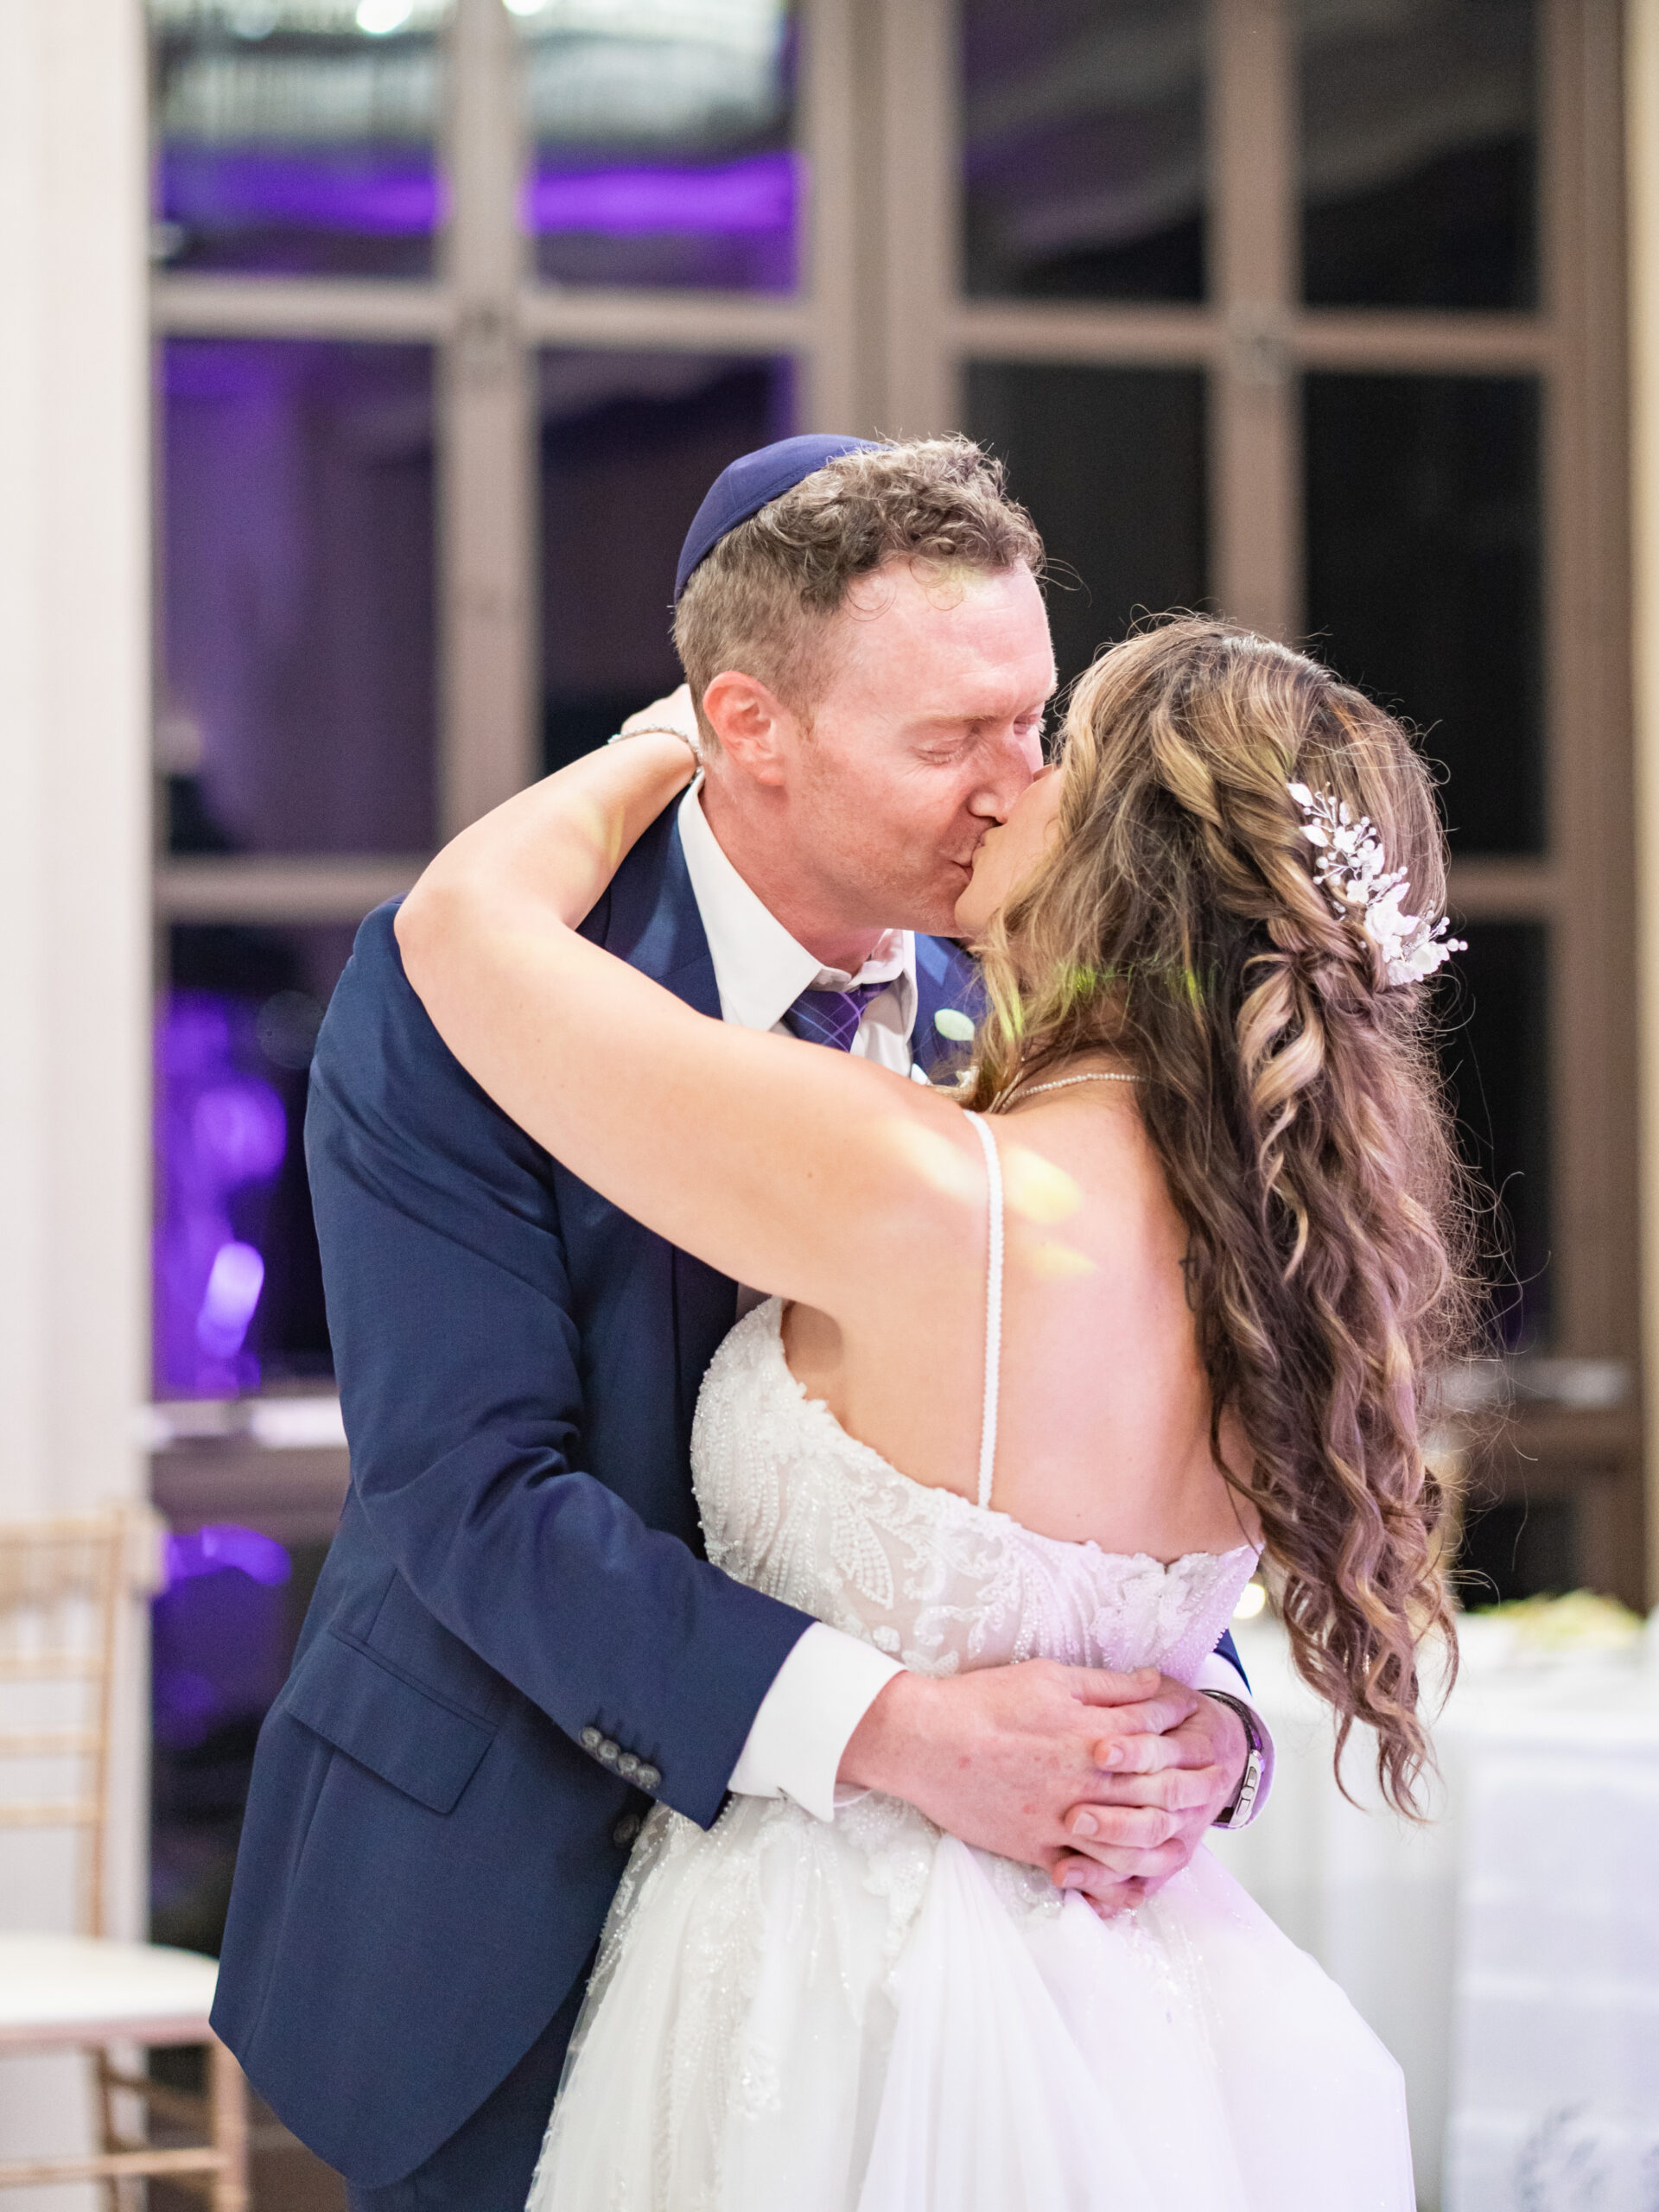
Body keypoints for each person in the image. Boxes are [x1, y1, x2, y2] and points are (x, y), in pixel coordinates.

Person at [210, 436, 1265, 2212]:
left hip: (927, 1966)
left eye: (1035, 720)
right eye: (951, 742)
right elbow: (473, 1495)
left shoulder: (1033, 990)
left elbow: (1134, 1402)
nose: (1019, 794)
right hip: (499, 1903)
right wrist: (903, 1730)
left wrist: (1197, 1717)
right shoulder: (472, 989)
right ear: (748, 726)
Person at [394, 604, 1470, 2208]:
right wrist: (1209, 1732)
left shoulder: (933, 1188)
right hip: (1130, 1996)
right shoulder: (1294, 1255)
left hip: (847, 1984)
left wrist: (664, 744)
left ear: (1111, 849)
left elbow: (467, 924)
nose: (1008, 781)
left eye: (1058, 752)